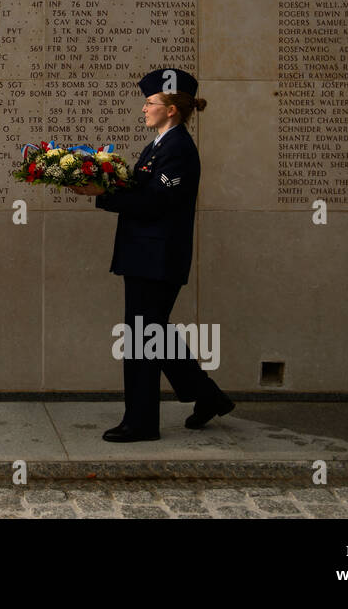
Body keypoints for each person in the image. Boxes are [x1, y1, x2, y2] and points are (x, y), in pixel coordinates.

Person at [70, 67, 233, 441]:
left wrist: (102, 195)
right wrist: (101, 179)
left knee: (143, 339)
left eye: (150, 103)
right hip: (146, 256)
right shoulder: (160, 144)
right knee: (152, 332)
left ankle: (141, 422)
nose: (143, 109)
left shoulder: (177, 149)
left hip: (157, 259)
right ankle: (208, 396)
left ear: (171, 109)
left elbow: (154, 202)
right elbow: (142, 185)